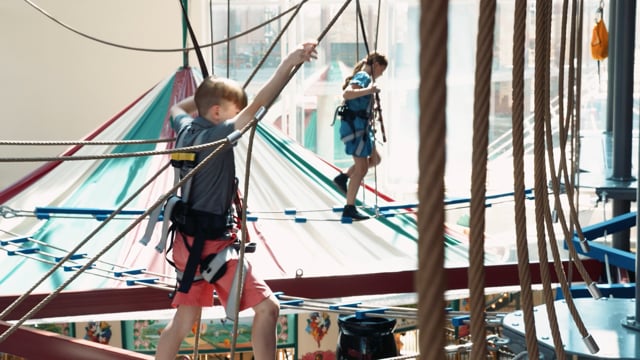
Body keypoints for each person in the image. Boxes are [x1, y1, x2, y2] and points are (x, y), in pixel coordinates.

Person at [155, 41, 318, 360]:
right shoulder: (216, 137)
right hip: (211, 246)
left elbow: (178, 109)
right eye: (231, 111)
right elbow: (259, 106)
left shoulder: (186, 129)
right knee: (269, 309)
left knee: (183, 321)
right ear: (217, 113)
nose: (237, 117)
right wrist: (287, 63)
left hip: (187, 247)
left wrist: (205, 95)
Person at [333, 52, 388, 221]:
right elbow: (348, 94)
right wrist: (370, 90)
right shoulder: (364, 76)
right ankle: (349, 207)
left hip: (361, 129)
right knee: (362, 169)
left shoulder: (363, 77)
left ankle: (343, 177)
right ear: (376, 65)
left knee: (375, 159)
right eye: (381, 70)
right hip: (355, 129)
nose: (381, 74)